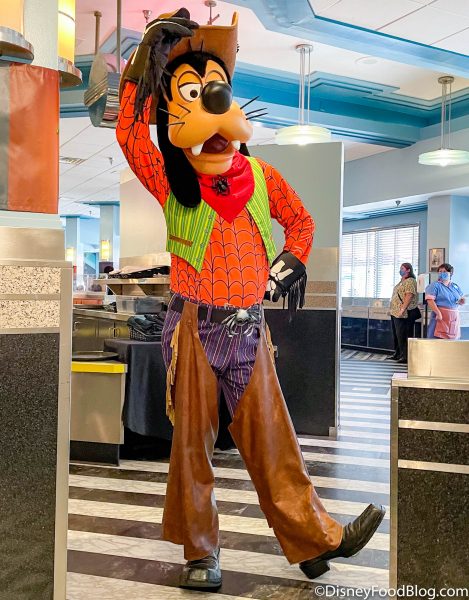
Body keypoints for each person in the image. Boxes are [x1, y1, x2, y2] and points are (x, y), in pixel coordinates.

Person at [116, 8, 385, 590]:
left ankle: (313, 540)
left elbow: (302, 222)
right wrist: (143, 61)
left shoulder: (262, 176)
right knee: (193, 446)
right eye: (192, 91)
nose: (211, 101)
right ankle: (200, 553)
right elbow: (129, 134)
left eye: (215, 87)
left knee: (273, 438)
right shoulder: (172, 179)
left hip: (247, 328)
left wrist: (289, 264)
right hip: (194, 325)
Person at [388, 262, 419, 364]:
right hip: (395, 312)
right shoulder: (401, 281)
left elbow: (409, 295)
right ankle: (397, 353)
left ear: (408, 270)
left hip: (404, 313)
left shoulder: (410, 281)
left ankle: (405, 356)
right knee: (397, 334)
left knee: (403, 334)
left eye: (402, 268)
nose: (400, 270)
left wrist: (402, 309)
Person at [425, 263, 465, 339]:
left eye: (444, 271)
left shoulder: (455, 286)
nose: (442, 273)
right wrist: (438, 313)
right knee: (438, 339)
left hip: (453, 317)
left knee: (452, 340)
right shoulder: (435, 285)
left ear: (451, 273)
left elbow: (459, 298)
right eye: (440, 271)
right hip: (440, 316)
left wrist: (461, 301)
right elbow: (430, 300)